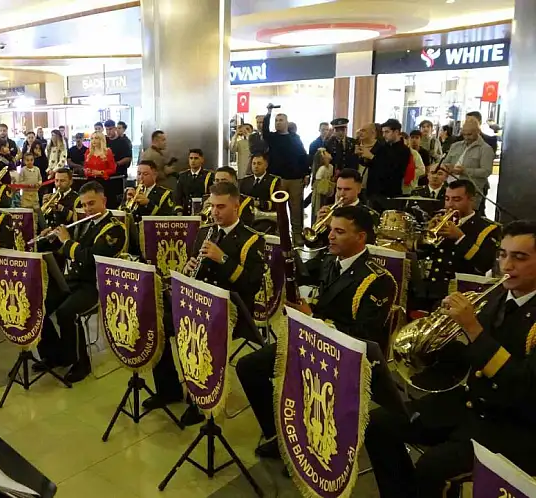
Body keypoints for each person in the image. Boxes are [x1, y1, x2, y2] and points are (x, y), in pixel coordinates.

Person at [365, 220, 536, 498]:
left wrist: (472, 329)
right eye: (503, 254)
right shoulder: (494, 298)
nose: (507, 266)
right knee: (378, 424)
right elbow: (460, 363)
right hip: (470, 404)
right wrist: (442, 329)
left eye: (520, 257)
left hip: (515, 424)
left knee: (433, 467)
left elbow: (521, 386)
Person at [236, 206, 396, 457]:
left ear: (361, 237)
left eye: (339, 231)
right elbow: (320, 299)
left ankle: (313, 441)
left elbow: (366, 334)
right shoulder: (330, 261)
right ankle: (280, 434)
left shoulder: (378, 279)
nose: (330, 236)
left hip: (343, 357)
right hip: (312, 341)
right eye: (331, 229)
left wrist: (314, 318)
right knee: (248, 367)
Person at [148, 181, 266, 426]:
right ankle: (168, 388)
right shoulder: (205, 231)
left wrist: (223, 259)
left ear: (236, 206)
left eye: (221, 207)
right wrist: (188, 268)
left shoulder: (252, 240)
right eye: (212, 206)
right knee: (157, 323)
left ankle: (199, 400)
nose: (215, 212)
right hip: (198, 302)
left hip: (232, 310)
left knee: (194, 334)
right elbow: (196, 268)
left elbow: (251, 285)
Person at [35, 181, 127, 383]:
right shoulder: (84, 222)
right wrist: (52, 238)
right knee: (39, 305)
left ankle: (80, 362)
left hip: (94, 284)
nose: (87, 209)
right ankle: (55, 355)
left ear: (104, 200)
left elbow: (90, 258)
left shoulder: (115, 229)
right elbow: (67, 252)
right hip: (73, 280)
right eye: (84, 205)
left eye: (92, 203)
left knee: (67, 312)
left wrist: (66, 241)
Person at [417, 179, 501, 309]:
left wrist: (460, 237)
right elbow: (420, 253)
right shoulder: (439, 218)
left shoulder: (486, 228)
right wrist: (427, 234)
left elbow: (484, 264)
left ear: (471, 200)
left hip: (458, 294)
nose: (450, 205)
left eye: (456, 200)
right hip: (429, 290)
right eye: (447, 199)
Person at [262, 104, 309, 246]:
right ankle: (279, 234)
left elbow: (303, 156)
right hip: (278, 179)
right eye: (276, 120)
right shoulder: (272, 138)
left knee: (296, 209)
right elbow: (264, 130)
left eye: (281, 120)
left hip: (295, 179)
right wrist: (269, 113)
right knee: (278, 209)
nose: (278, 122)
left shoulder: (295, 138)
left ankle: (297, 235)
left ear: (287, 123)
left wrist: (306, 174)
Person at [305, 168, 379, 251]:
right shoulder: (330, 210)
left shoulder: (368, 214)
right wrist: (317, 224)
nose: (342, 194)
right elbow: (311, 245)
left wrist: (332, 225)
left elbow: (367, 246)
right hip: (325, 260)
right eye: (339, 189)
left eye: (347, 189)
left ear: (359, 189)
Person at [442, 118, 494, 212]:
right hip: (450, 188)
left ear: (478, 131)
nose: (466, 137)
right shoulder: (455, 146)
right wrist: (446, 168)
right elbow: (445, 162)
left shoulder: (485, 149)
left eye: (469, 134)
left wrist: (465, 171)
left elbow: (486, 171)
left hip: (471, 191)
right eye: (464, 134)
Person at [362, 119, 410, 212]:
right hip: (373, 191)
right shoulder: (381, 146)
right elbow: (370, 164)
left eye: (387, 132)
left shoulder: (404, 150)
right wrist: (363, 157)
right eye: (383, 132)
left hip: (390, 193)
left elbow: (394, 171)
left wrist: (372, 157)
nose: (384, 135)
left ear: (396, 132)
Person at [175, 148, 213, 215]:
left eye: (196, 158)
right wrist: (179, 210)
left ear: (202, 160)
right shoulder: (183, 176)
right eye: (191, 158)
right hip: (186, 213)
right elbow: (178, 196)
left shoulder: (209, 176)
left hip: (203, 213)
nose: (193, 161)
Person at [310, 148, 335, 218]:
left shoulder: (331, 167)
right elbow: (318, 182)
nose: (328, 153)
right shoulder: (322, 169)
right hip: (321, 192)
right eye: (325, 152)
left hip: (328, 191)